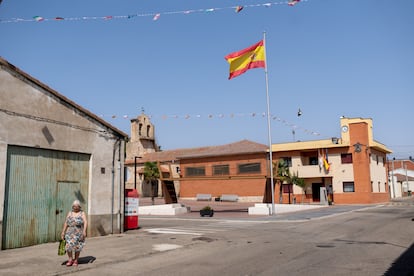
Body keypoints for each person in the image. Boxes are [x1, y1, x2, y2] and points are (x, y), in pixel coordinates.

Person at [61, 200, 88, 267]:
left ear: (79, 207)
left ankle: (76, 260)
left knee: (77, 247)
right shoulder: (70, 213)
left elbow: (85, 222)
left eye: (76, 206)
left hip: (78, 232)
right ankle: (70, 259)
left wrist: (84, 231)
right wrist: (63, 232)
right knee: (68, 246)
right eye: (74, 206)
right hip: (69, 232)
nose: (75, 208)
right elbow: (66, 222)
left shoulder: (82, 213)